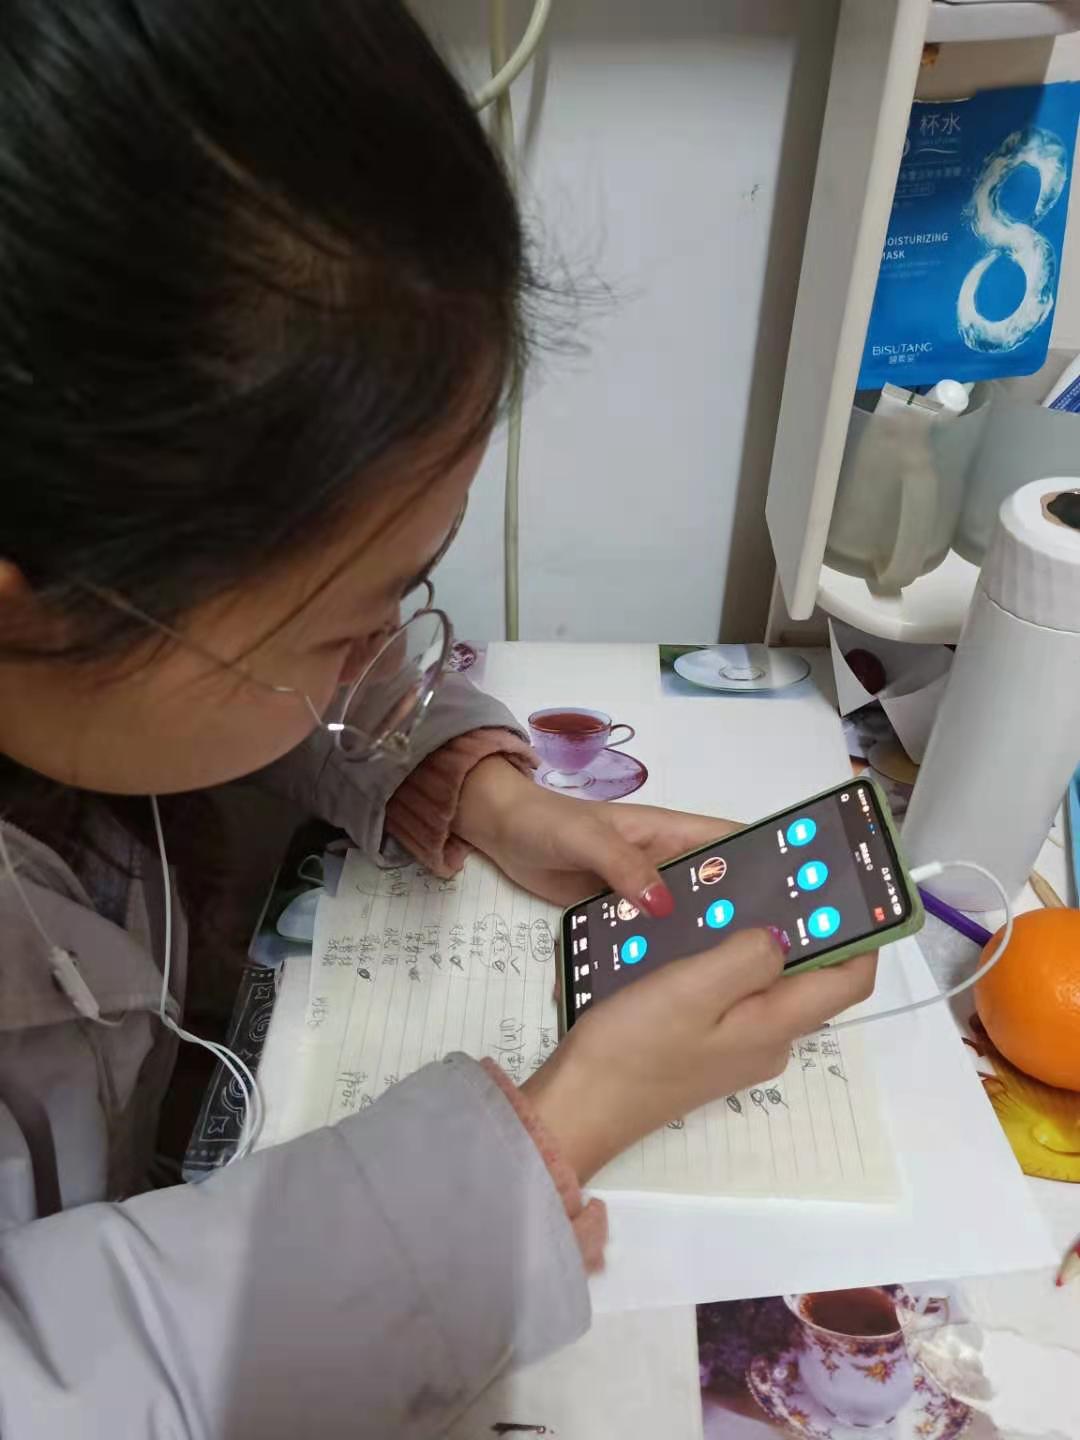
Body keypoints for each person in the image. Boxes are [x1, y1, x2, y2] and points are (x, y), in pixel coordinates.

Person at [0, 3, 876, 1434]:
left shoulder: (91, 635)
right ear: (38, 607)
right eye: (348, 622)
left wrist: (479, 788)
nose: (380, 655)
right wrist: (548, 1138)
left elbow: (258, 672)